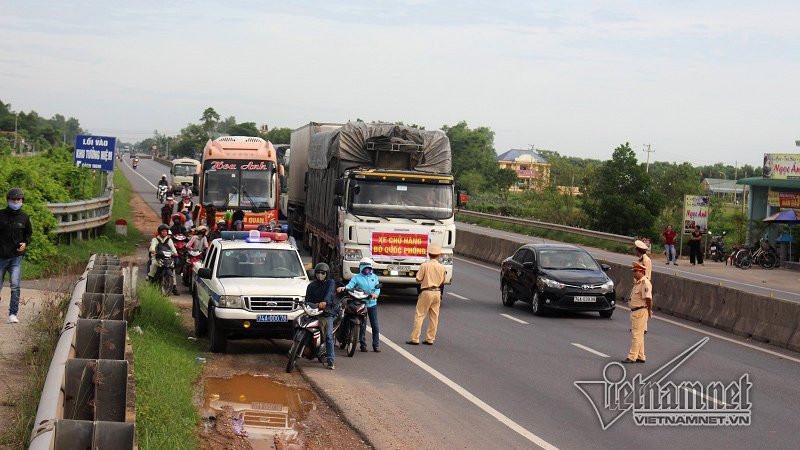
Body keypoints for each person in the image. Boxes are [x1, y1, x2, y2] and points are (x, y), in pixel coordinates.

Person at [0, 188, 32, 324]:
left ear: (22, 201)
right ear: (8, 200)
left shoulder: (24, 217)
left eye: (18, 199)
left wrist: (25, 243)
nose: (15, 202)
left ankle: (13, 313)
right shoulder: (0, 215)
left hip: (16, 257)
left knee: (15, 285)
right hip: (0, 256)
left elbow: (28, 234)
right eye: (13, 199)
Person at [337, 257, 381, 352]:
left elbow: (377, 288)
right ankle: (363, 345)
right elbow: (350, 285)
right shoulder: (356, 277)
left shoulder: (374, 277)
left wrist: (375, 294)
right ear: (360, 267)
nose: (366, 269)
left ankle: (376, 345)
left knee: (375, 326)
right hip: (362, 303)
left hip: (372, 304)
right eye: (364, 267)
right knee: (363, 325)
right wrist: (344, 288)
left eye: (368, 268)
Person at [406, 244, 446, 346]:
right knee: (434, 317)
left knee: (420, 315)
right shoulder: (442, 267)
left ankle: (415, 338)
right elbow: (442, 281)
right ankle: (430, 339)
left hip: (426, 291)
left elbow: (418, 279)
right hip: (437, 292)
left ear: (429, 254)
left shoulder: (424, 265)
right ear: (439, 255)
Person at [305, 263, 338, 370]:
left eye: (322, 273)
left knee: (328, 336)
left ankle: (330, 360)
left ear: (327, 274)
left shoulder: (330, 283)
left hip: (327, 313)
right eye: (318, 273)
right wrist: (306, 305)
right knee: (299, 324)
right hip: (313, 312)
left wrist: (324, 302)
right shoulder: (311, 286)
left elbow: (329, 294)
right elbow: (307, 300)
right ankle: (295, 349)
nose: (320, 275)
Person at [622, 262, 652, 364]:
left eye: (635, 271)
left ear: (641, 272)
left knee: (636, 335)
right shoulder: (638, 282)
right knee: (640, 335)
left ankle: (632, 357)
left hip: (640, 311)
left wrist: (649, 310)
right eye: (634, 271)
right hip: (636, 311)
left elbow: (648, 299)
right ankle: (640, 356)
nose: (634, 273)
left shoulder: (645, 283)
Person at [147, 224, 178, 294]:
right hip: (157, 257)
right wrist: (152, 250)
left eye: (165, 231)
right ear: (160, 232)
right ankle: (150, 278)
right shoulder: (155, 239)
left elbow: (173, 248)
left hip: (167, 258)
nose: (164, 232)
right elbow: (152, 246)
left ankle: (174, 286)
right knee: (154, 264)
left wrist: (175, 253)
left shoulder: (169, 240)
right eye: (163, 231)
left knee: (172, 269)